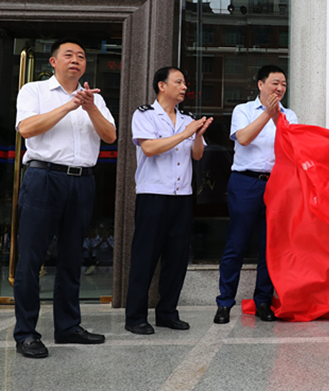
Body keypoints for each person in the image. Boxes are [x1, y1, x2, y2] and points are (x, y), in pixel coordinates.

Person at [13, 38, 116, 359]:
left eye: (81, 56)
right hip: (44, 178)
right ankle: (26, 333)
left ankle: (68, 326)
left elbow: (110, 135)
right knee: (31, 258)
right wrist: (69, 105)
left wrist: (88, 106)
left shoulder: (94, 98)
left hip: (82, 182)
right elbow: (27, 128)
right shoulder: (34, 91)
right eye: (68, 55)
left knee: (73, 257)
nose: (76, 60)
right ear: (54, 62)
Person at [125, 67, 211, 335]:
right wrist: (186, 133)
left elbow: (197, 156)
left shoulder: (187, 118)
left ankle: (167, 312)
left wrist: (197, 134)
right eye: (178, 82)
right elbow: (149, 148)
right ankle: (135, 317)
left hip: (181, 196)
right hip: (153, 195)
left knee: (177, 258)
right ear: (161, 86)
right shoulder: (145, 114)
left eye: (185, 82)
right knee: (145, 257)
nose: (184, 86)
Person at [214, 65, 296, 324]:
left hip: (277, 185)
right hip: (246, 182)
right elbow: (244, 138)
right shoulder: (243, 110)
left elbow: (294, 148)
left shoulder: (290, 115)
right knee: (236, 244)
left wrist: (277, 116)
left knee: (270, 247)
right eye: (274, 83)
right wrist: (267, 115)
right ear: (260, 85)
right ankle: (225, 302)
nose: (279, 88)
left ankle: (263, 301)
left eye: (283, 84)